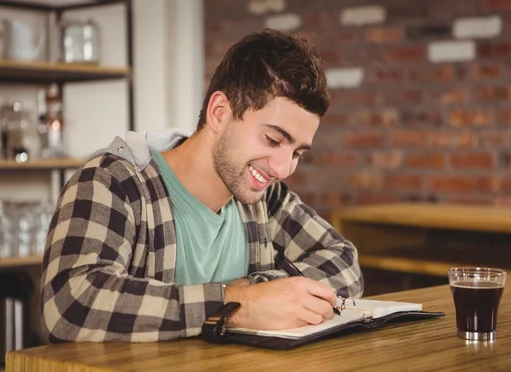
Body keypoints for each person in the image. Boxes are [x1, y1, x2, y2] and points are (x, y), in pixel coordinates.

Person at [41, 28, 363, 343]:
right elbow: (71, 302)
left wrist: (260, 287)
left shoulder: (266, 197)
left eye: (296, 153)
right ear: (219, 112)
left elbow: (345, 264)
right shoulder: (114, 183)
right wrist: (238, 304)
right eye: (272, 139)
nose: (282, 168)